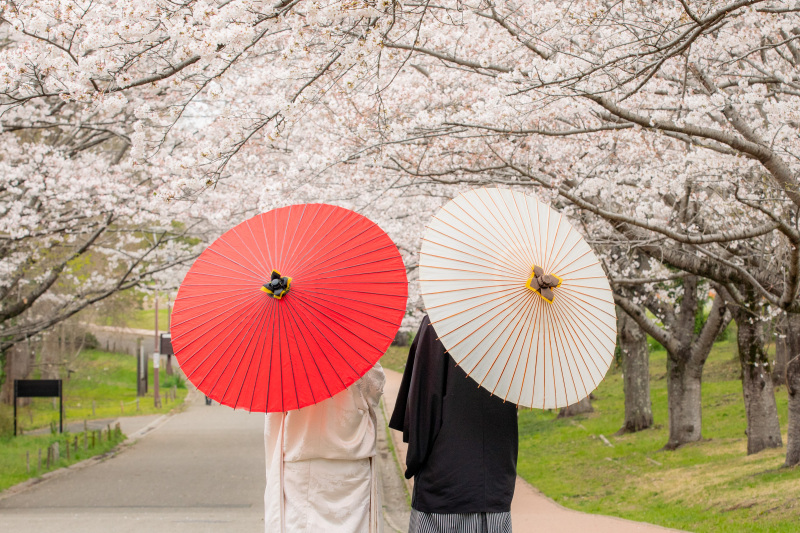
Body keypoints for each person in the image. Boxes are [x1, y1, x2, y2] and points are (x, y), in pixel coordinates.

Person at [389, 316, 519, 532]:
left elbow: (424, 401)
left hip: (444, 479)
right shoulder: (511, 323)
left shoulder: (440, 320)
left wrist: (415, 459)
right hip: (496, 481)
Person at [264, 363, 385, 533]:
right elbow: (374, 392)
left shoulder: (284, 357)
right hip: (350, 462)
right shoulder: (354, 349)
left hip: (300, 459)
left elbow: (273, 410)